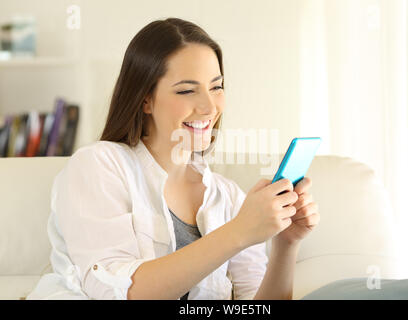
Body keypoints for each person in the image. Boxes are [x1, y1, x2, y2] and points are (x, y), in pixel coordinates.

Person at [27, 17, 320, 300]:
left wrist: (284, 244)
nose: (208, 106)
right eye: (187, 90)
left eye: (216, 87)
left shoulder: (227, 197)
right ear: (145, 99)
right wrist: (240, 231)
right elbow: (118, 292)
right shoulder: (99, 165)